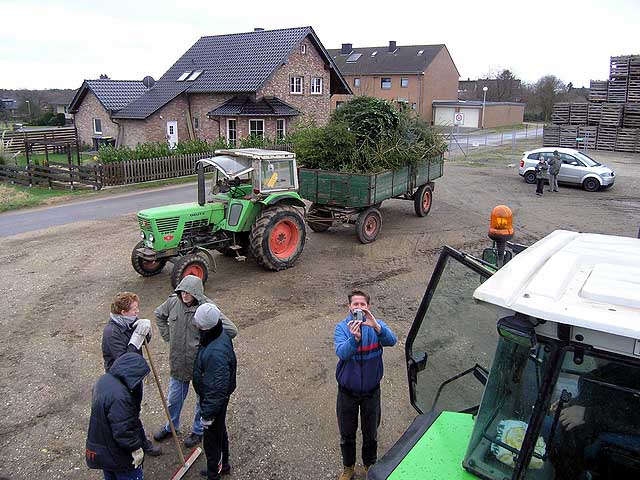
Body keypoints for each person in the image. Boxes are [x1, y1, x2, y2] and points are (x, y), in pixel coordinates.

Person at [153, 275, 238, 448]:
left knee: (201, 401)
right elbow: (158, 315)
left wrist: (210, 344)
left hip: (199, 366)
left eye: (189, 293)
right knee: (173, 399)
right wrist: (168, 336)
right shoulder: (172, 302)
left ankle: (198, 431)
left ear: (197, 293)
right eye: (182, 291)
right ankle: (171, 427)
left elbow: (231, 329)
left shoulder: (207, 308)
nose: (184, 296)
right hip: (178, 363)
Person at [334, 290, 397, 480]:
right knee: (347, 433)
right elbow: (342, 353)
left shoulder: (376, 325)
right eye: (355, 304)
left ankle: (370, 465)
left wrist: (377, 327)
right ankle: (348, 468)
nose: (359, 308)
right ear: (349, 307)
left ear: (368, 307)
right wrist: (355, 339)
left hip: (371, 392)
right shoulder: (342, 328)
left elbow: (392, 341)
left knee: (371, 433)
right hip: (347, 392)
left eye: (362, 305)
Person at [102, 292, 161, 457]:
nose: (137, 312)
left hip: (134, 379)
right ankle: (137, 445)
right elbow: (125, 362)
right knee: (128, 414)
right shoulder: (112, 332)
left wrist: (145, 332)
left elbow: (144, 341)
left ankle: (139, 443)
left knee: (134, 411)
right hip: (122, 383)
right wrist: (136, 338)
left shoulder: (128, 322)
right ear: (123, 312)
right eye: (134, 309)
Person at [86, 352, 151, 480]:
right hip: (118, 457)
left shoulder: (104, 380)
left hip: (103, 449)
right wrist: (136, 449)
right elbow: (124, 431)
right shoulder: (121, 397)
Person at [192, 303, 237, 480]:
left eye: (197, 319)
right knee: (219, 431)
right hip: (217, 399)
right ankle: (223, 464)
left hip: (214, 401)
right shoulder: (217, 333)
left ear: (204, 325)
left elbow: (216, 389)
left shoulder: (215, 353)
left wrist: (207, 414)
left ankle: (214, 474)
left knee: (211, 440)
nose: (194, 322)